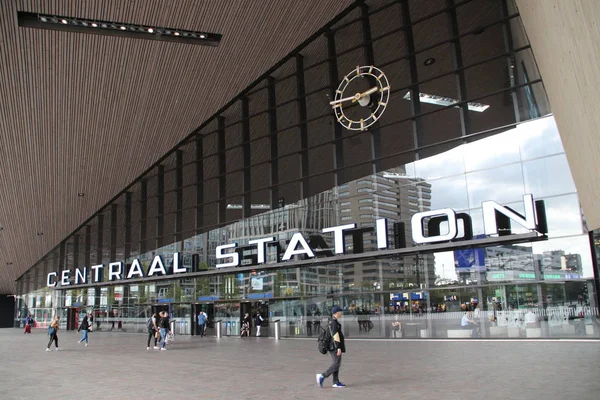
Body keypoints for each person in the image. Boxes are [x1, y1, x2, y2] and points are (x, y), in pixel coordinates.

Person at [316, 306, 346, 388]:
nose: (341, 313)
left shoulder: (331, 321)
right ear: (337, 313)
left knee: (336, 363)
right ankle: (322, 376)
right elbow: (335, 336)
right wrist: (339, 348)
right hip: (334, 347)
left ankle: (335, 382)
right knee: (336, 364)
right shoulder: (333, 323)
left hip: (333, 346)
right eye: (340, 311)